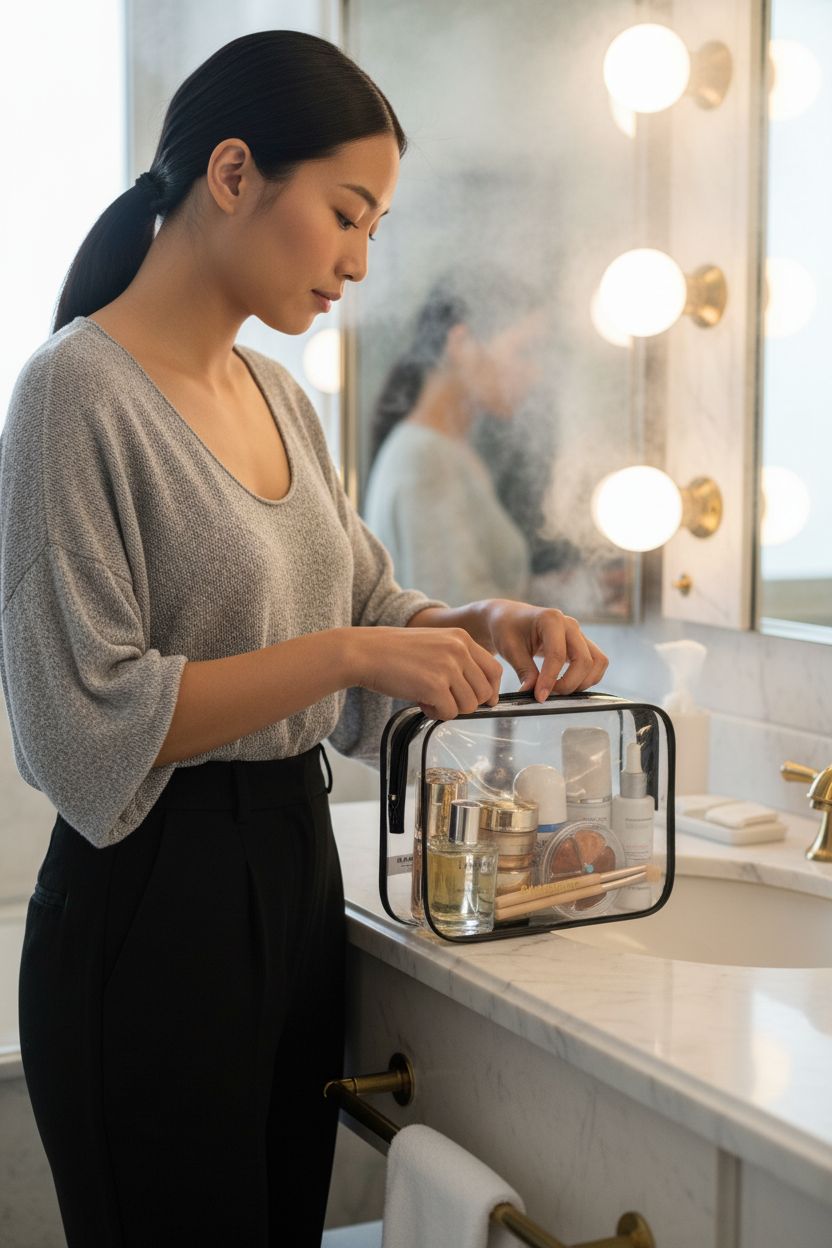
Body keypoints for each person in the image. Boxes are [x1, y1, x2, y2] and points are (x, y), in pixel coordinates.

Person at [0, 30, 608, 1248]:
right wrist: (347, 658)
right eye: (345, 214)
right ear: (233, 175)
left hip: (293, 876)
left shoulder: (283, 397)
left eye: (376, 227)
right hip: (147, 909)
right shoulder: (77, 391)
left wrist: (478, 623)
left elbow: (367, 609)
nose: (360, 262)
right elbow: (84, 720)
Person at [364, 272, 548, 605]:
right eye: (524, 351)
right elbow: (452, 614)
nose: (535, 373)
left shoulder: (448, 449)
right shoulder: (425, 459)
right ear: (461, 345)